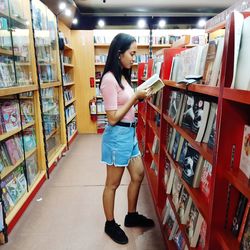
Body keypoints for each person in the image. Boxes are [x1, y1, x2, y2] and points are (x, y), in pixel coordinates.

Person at [100, 33, 155, 245]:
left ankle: (131, 215)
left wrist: (139, 97)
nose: (134, 58)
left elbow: (126, 106)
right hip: (118, 136)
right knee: (112, 184)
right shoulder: (108, 79)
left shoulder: (123, 76)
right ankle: (110, 223)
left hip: (130, 135)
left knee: (138, 174)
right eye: (132, 53)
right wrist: (135, 97)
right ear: (119, 53)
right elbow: (112, 118)